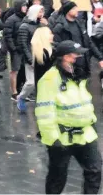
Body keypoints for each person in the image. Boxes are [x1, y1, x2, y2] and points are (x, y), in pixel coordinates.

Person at [36, 40, 101, 194]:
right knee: (57, 177)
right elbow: (45, 110)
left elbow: (83, 101)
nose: (78, 57)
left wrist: (91, 123)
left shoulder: (75, 74)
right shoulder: (50, 79)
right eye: (75, 55)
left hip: (85, 134)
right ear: (65, 57)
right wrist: (52, 138)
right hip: (62, 137)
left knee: (95, 170)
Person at [52, 1, 103, 77]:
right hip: (71, 65)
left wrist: (100, 58)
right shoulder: (60, 27)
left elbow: (89, 41)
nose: (77, 10)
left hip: (85, 63)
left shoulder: (80, 23)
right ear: (68, 11)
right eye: (74, 8)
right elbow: (57, 47)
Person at [16, 5, 46, 111]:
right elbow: (23, 44)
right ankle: (21, 97)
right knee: (31, 82)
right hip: (31, 56)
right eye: (39, 12)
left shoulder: (41, 25)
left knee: (42, 80)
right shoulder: (24, 26)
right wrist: (29, 58)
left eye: (42, 12)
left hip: (41, 55)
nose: (41, 14)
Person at [4, 0, 28, 101]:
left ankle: (21, 90)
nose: (25, 8)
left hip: (25, 48)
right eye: (23, 6)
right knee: (15, 70)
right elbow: (7, 35)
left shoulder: (26, 18)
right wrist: (13, 48)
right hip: (16, 49)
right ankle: (14, 92)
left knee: (24, 70)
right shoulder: (11, 19)